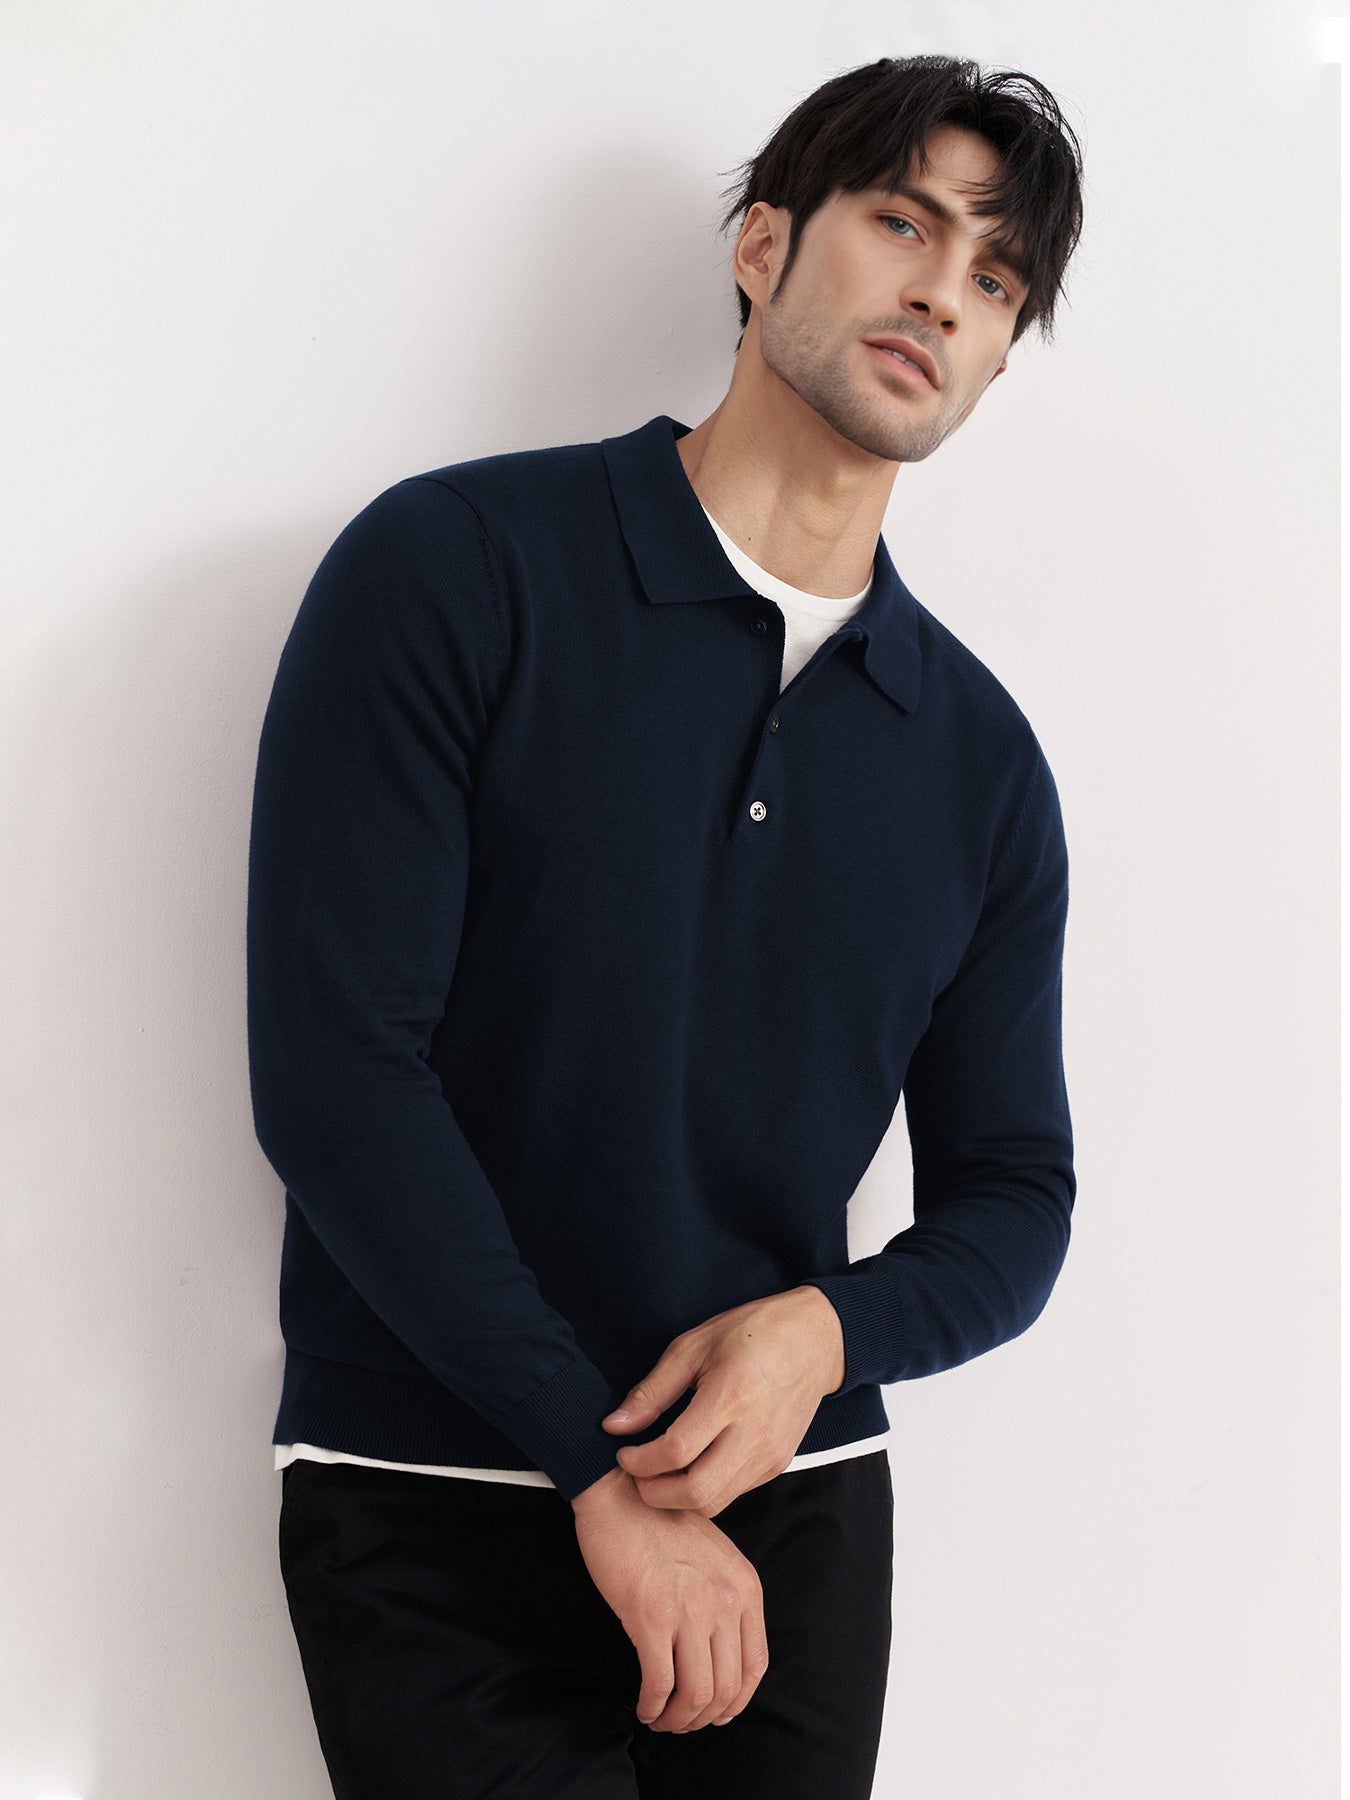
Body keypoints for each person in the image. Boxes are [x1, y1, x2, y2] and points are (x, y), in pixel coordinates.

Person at [246, 50, 1086, 1800]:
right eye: (902, 223)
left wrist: (821, 1337)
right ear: (762, 245)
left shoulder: (983, 766)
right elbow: (336, 1074)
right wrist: (591, 1466)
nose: (945, 290)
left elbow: (1014, 1196)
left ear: (1002, 356)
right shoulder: (457, 568)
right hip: (436, 1482)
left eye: (996, 277)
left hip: (794, 1515)